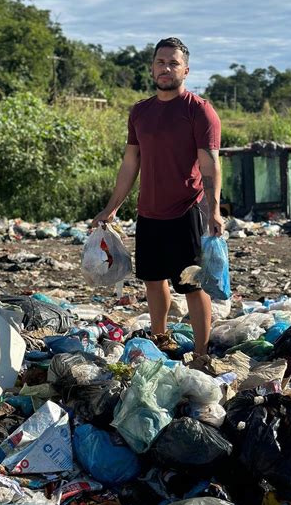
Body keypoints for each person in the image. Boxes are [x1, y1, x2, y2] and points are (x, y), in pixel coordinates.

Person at [92, 37, 223, 355]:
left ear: (186, 70)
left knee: (191, 284)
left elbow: (210, 165)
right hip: (148, 212)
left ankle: (202, 354)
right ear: (152, 68)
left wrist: (215, 211)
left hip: (187, 211)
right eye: (161, 62)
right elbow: (130, 163)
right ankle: (161, 340)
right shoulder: (140, 112)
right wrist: (111, 209)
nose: (166, 68)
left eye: (173, 63)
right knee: (153, 280)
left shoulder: (199, 111)